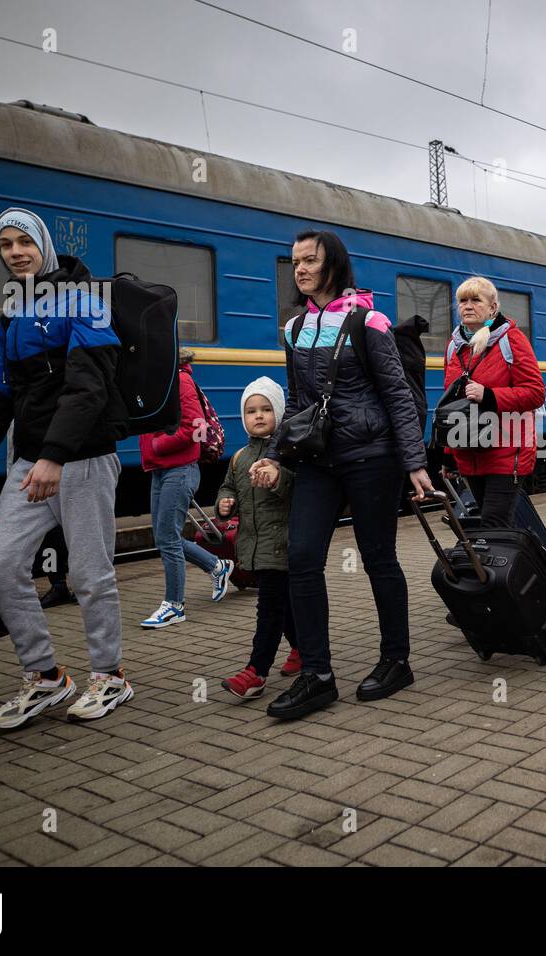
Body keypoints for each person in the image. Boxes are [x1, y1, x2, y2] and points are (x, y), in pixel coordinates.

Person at [0, 207, 131, 728]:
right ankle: (46, 677)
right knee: (3, 566)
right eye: (5, 246)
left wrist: (54, 455)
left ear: (43, 244)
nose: (15, 252)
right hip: (30, 464)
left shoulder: (87, 304)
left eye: (23, 241)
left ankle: (110, 676)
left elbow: (88, 388)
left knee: (91, 574)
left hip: (84, 460)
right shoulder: (11, 315)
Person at [248, 230, 434, 721]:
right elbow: (300, 405)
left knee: (377, 557)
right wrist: (278, 457)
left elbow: (396, 393)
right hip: (318, 461)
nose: (301, 269)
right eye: (295, 262)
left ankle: (396, 661)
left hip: (372, 456)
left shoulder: (368, 320)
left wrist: (414, 462)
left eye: (311, 260)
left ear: (335, 264)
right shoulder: (294, 329)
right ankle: (319, 675)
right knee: (302, 556)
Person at [138, 349, 235, 628]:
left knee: (168, 538)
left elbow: (197, 428)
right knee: (164, 537)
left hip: (180, 469)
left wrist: (157, 445)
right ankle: (217, 566)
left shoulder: (179, 381)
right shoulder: (158, 384)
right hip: (160, 470)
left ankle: (174, 606)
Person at [439, 276, 546, 528]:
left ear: (492, 307)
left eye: (476, 300)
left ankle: (509, 566)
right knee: (492, 526)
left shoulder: (512, 339)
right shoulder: (454, 347)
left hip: (506, 452)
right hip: (469, 454)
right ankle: (524, 562)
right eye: (462, 301)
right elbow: (451, 405)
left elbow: (535, 393)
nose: (467, 306)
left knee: (493, 525)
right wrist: (448, 455)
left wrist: (489, 396)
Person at [219, 377, 301, 699]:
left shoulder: (287, 452)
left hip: (280, 543)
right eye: (251, 410)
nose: (258, 415)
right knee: (283, 603)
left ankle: (256, 672)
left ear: (278, 414)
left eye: (266, 409)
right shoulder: (239, 458)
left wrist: (279, 477)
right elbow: (229, 488)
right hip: (252, 546)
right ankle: (301, 648)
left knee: (268, 608)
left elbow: (300, 489)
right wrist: (224, 504)